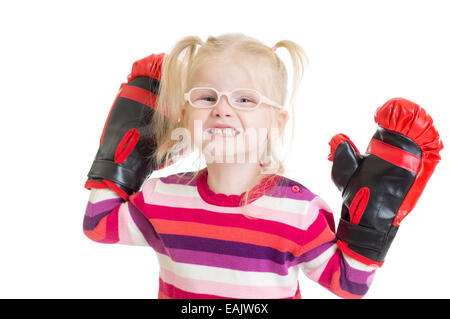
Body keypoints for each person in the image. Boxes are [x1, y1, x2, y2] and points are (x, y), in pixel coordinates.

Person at [83, 33, 442, 299]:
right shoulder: (162, 197)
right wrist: (119, 162)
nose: (223, 109)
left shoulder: (298, 212)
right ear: (183, 115)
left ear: (277, 122)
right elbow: (98, 225)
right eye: (206, 97)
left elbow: (350, 284)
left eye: (245, 99)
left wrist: (370, 224)